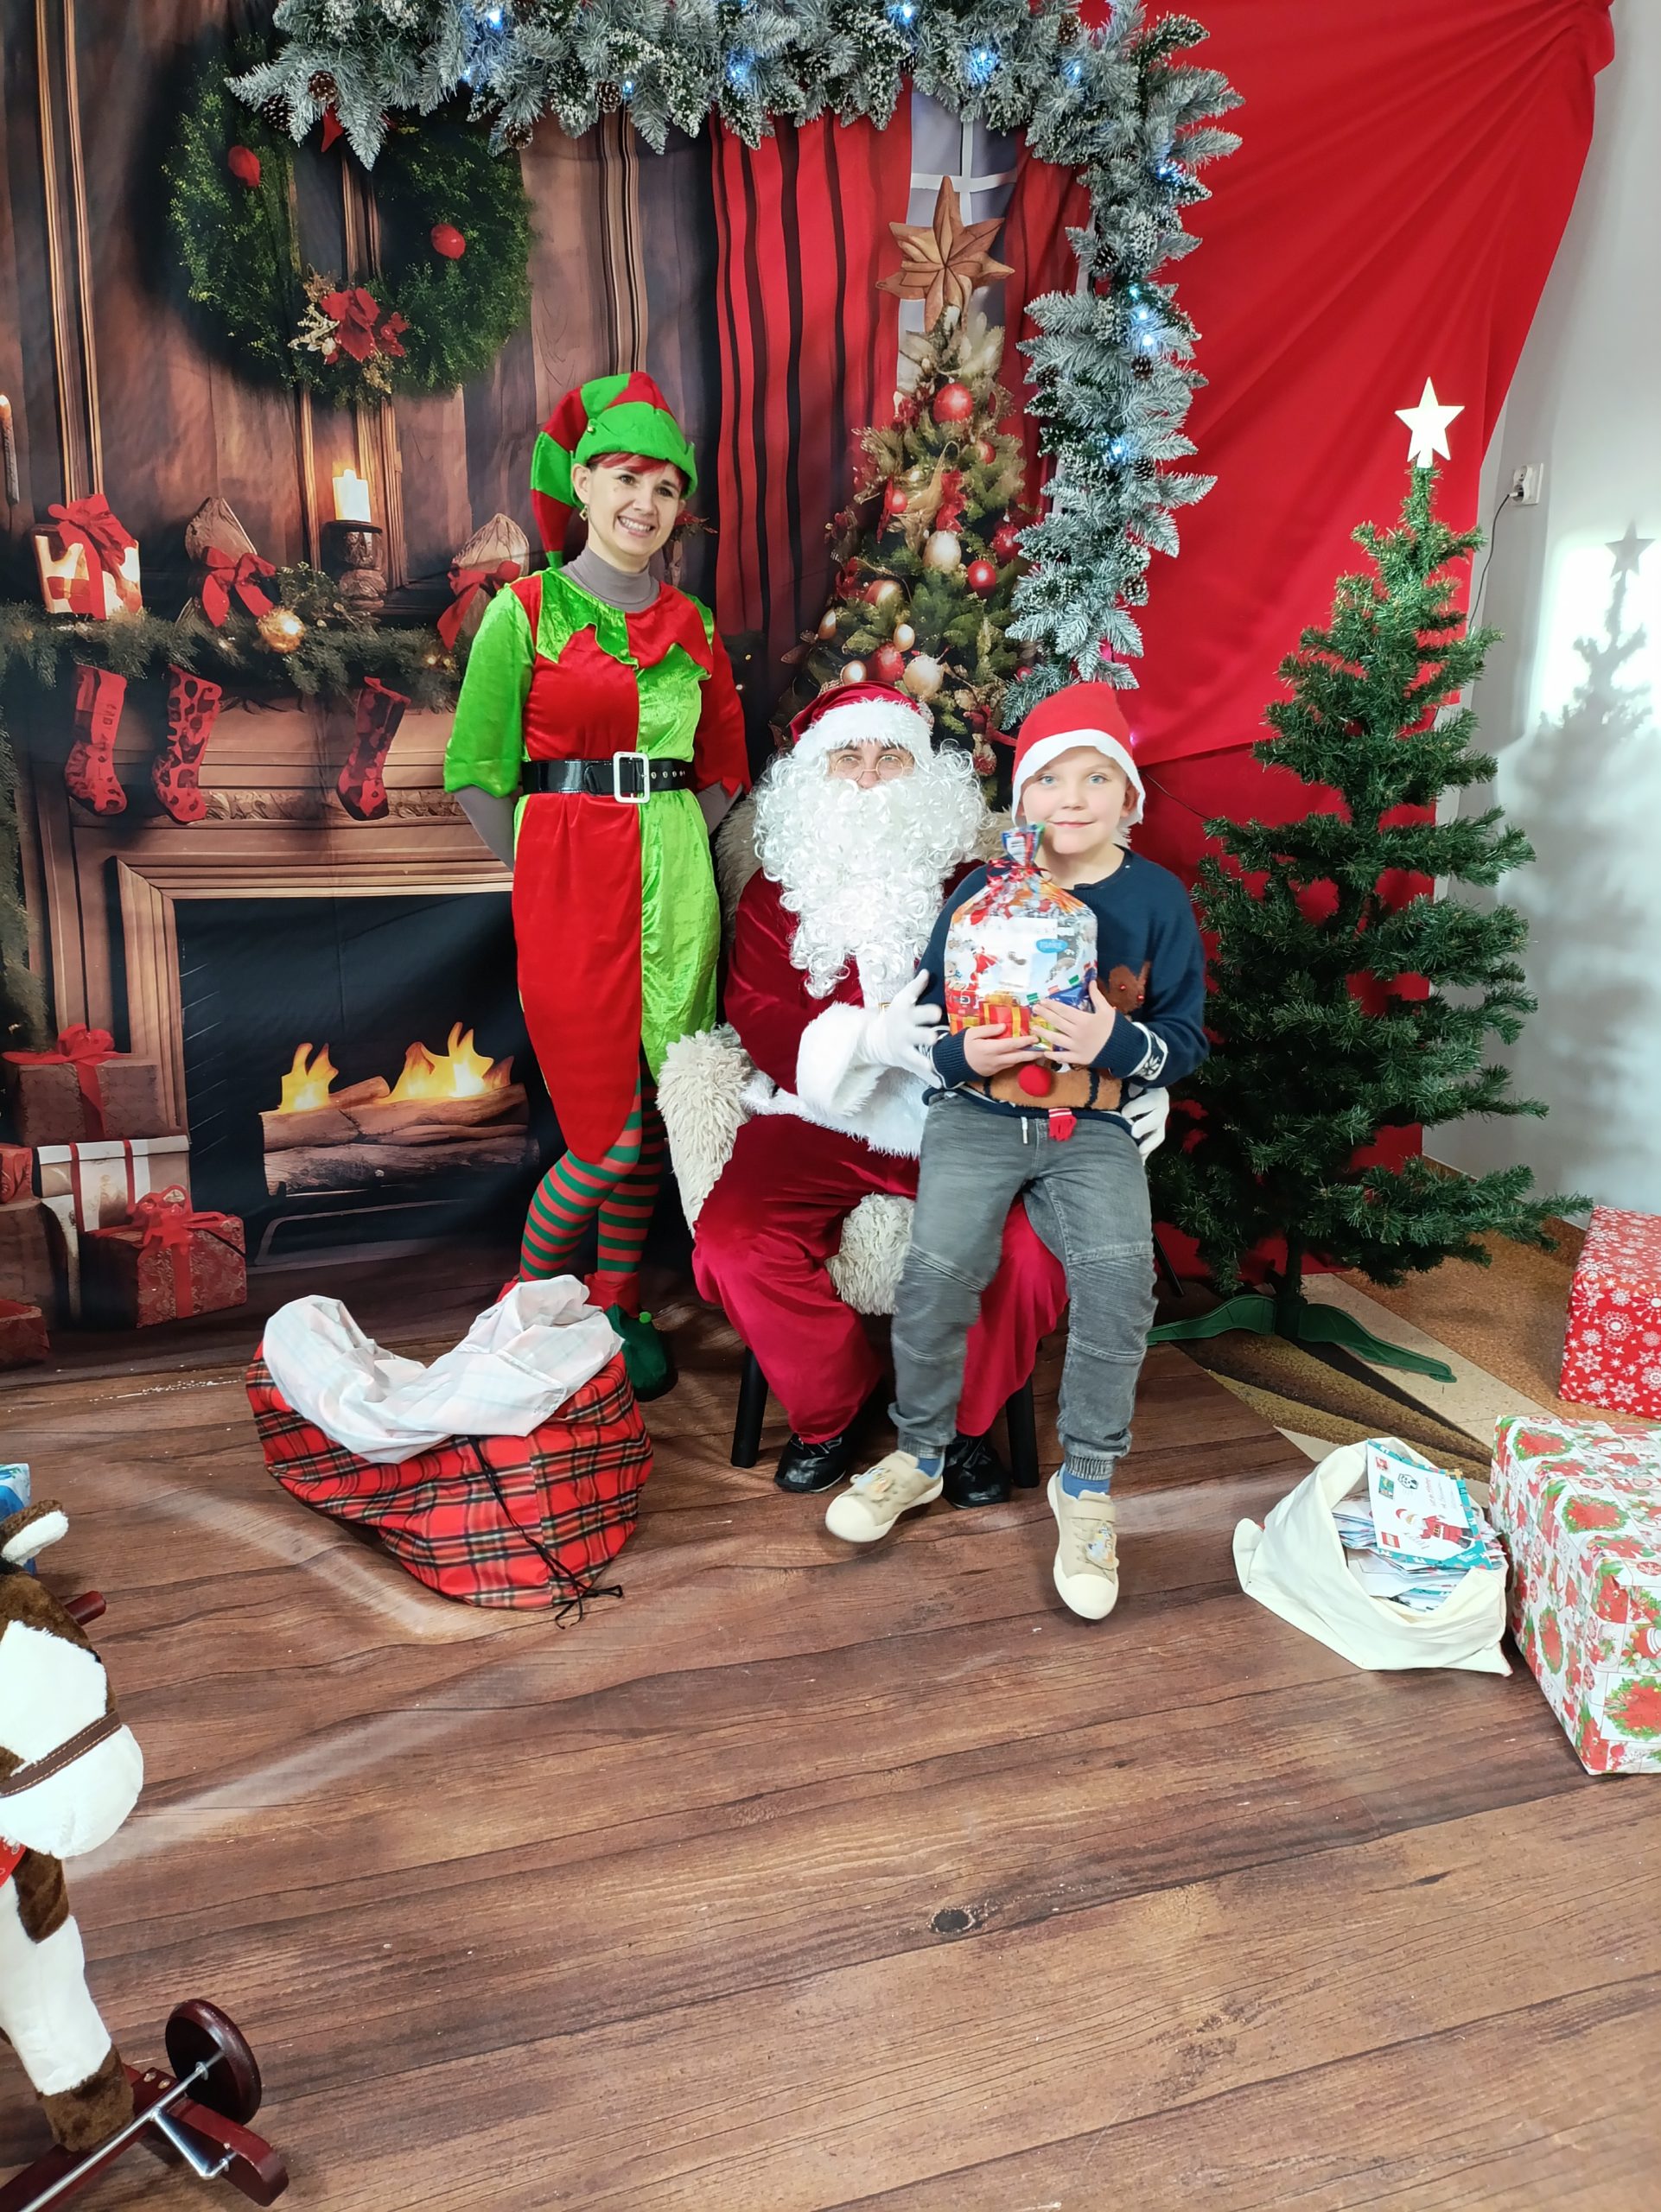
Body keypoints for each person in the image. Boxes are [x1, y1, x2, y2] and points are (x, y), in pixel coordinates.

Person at [690, 682, 1170, 1505]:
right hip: (820, 1114)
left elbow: (1070, 987)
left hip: (976, 1113)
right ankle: (832, 1410)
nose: (868, 777)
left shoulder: (990, 884)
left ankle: (960, 1426)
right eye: (848, 757)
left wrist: (1124, 1082)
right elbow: (757, 1013)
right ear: (812, 777)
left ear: (926, 779)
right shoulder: (775, 892)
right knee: (733, 1243)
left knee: (1031, 1255)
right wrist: (865, 1043)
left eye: (891, 758)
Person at [824, 683, 1208, 1619]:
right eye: (1049, 779)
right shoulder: (978, 891)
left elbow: (1185, 1039)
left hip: (1094, 1125)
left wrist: (1117, 1045)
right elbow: (925, 1020)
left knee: (1120, 1284)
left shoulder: (1156, 899)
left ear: (1129, 795)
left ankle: (1087, 1485)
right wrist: (965, 1057)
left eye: (1095, 778)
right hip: (977, 1116)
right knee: (936, 1275)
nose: (1071, 799)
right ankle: (918, 1455)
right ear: (1021, 796)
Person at [445, 373, 749, 1395]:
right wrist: (547, 865)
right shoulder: (523, 611)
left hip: (676, 882)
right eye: (625, 478)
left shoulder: (693, 623)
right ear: (580, 483)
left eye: (664, 488)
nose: (644, 504)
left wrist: (674, 844)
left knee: (657, 1110)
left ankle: (618, 1305)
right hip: (569, 876)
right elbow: (475, 771)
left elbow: (723, 764)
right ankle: (529, 1314)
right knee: (602, 1132)